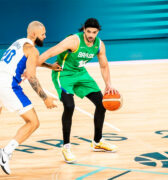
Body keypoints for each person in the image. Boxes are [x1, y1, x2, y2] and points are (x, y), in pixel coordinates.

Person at [0, 21, 59, 175]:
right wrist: (45, 98)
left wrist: (49, 66)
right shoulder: (32, 50)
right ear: (34, 34)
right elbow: (32, 77)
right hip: (8, 85)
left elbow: (28, 62)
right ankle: (5, 152)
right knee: (33, 122)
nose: (45, 36)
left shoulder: (19, 42)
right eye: (43, 33)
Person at [39, 18, 119, 163]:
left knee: (102, 104)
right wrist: (34, 66)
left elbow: (104, 65)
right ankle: (66, 147)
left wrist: (108, 84)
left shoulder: (99, 44)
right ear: (84, 30)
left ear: (98, 32)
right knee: (69, 106)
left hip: (81, 74)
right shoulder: (73, 41)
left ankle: (97, 141)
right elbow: (50, 52)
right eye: (88, 31)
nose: (91, 35)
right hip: (63, 74)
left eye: (94, 32)